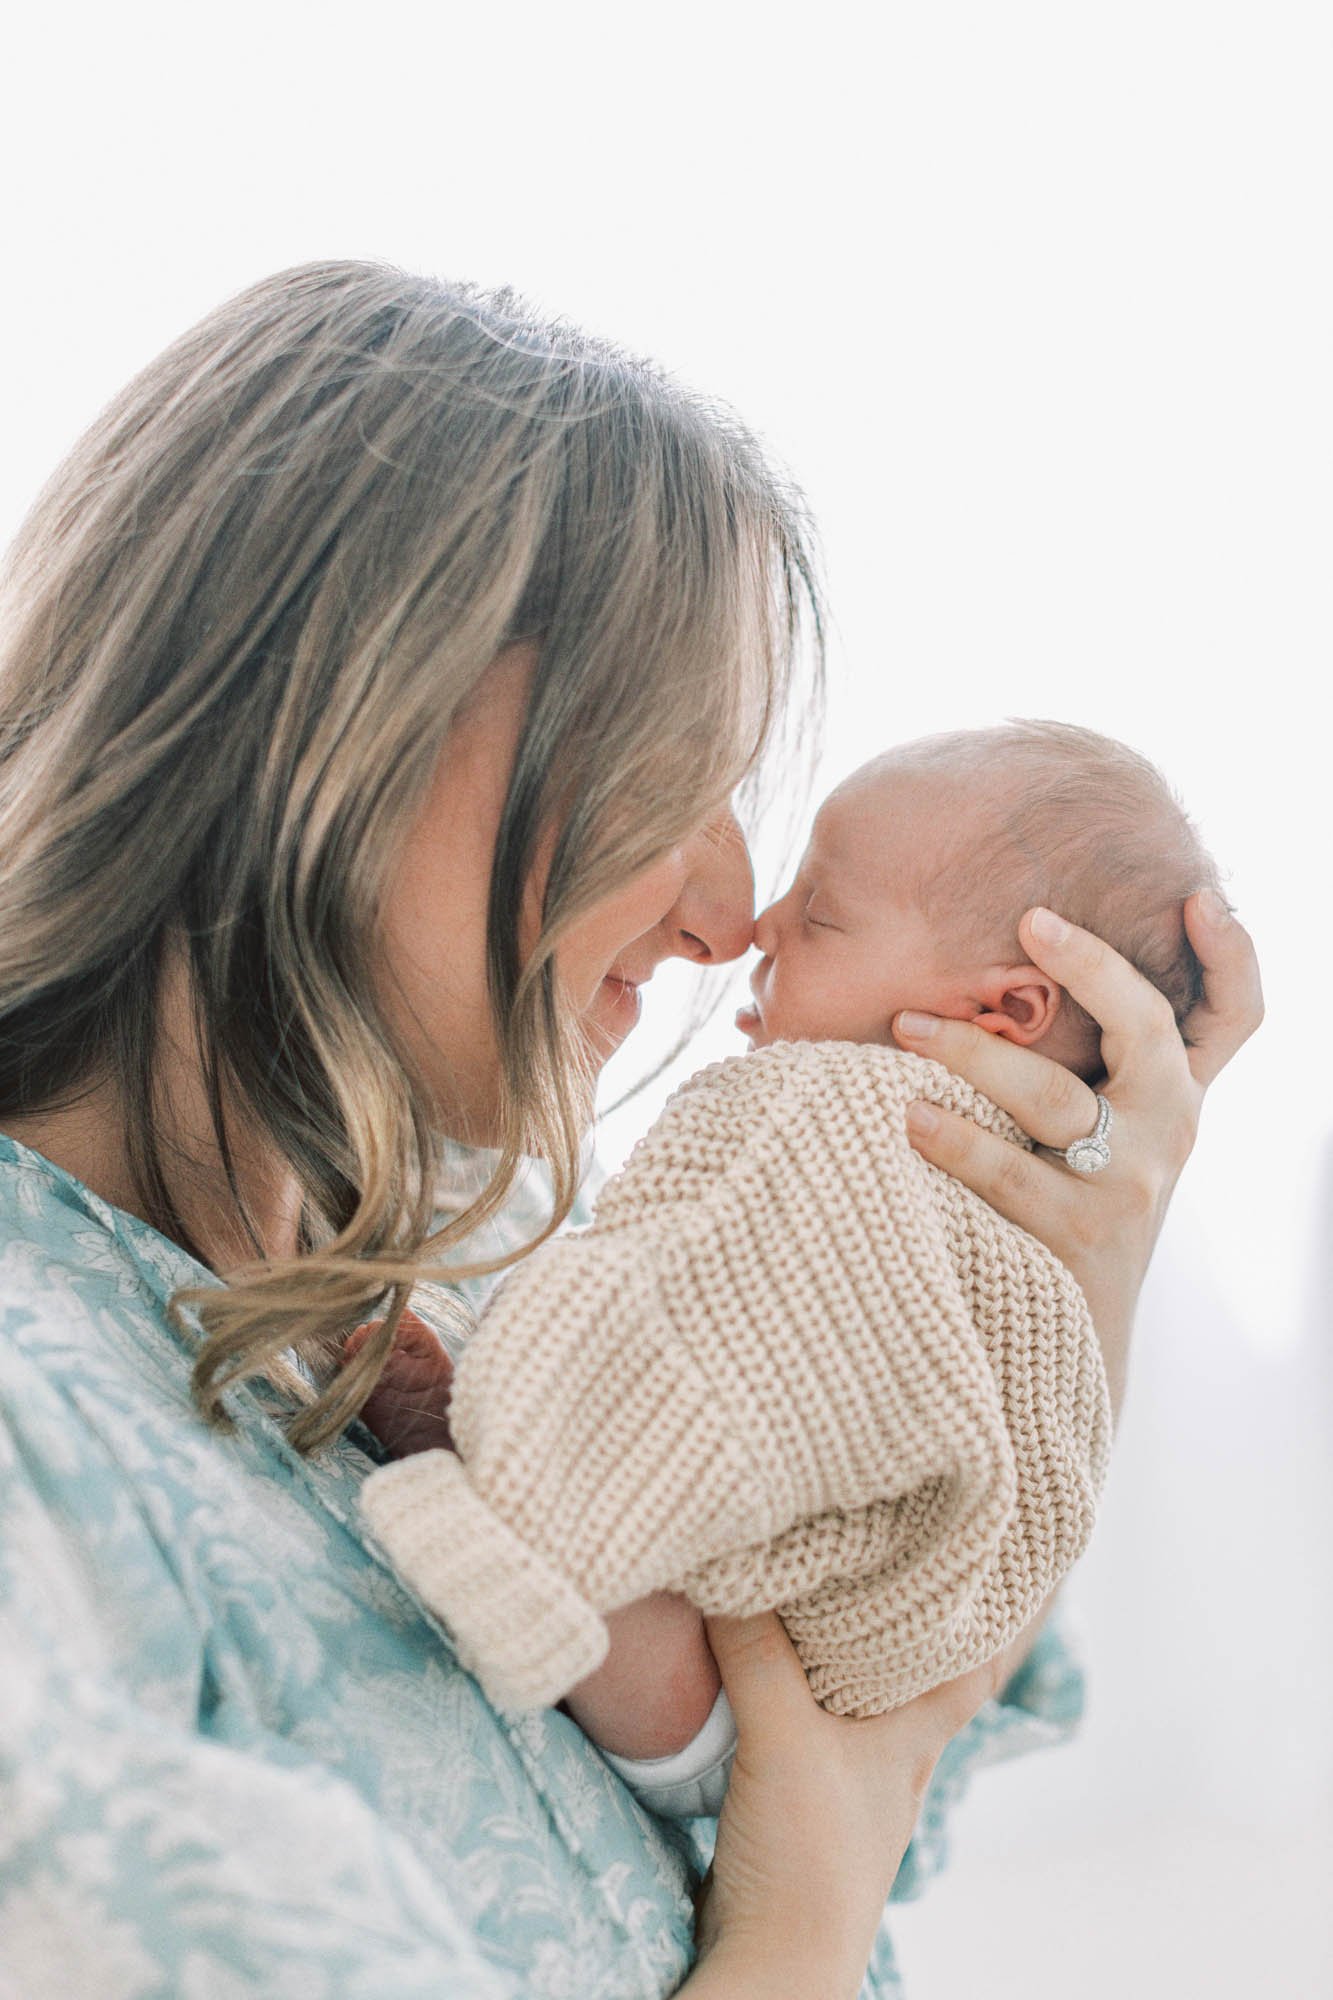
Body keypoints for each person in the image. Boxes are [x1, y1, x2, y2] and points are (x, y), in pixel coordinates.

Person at [0, 261, 1262, 2000]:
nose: (732, 911)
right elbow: (827, 1855)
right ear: (347, 712)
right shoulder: (44, 1448)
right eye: (680, 768)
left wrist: (1052, 1284)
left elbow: (876, 1749)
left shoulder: (524, 1262)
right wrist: (793, 1948)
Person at [348, 719, 1221, 1821]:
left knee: (637, 1598)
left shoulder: (855, 1130)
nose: (749, 924)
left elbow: (756, 1340)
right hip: (846, 1677)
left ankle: (523, 1525)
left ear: (1000, 1011)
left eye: (818, 915)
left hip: (750, 1699)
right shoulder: (925, 1154)